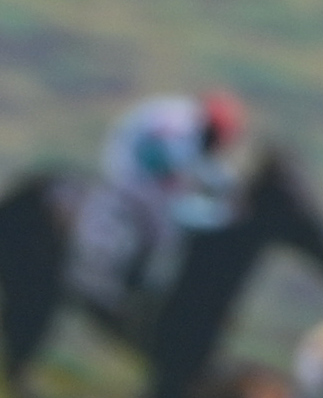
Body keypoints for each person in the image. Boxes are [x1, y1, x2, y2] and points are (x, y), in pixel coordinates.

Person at [67, 89, 249, 325]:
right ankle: (122, 284)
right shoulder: (179, 124)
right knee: (164, 226)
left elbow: (206, 167)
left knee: (179, 212)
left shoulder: (194, 128)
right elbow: (183, 163)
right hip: (133, 168)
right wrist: (220, 205)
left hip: (153, 171)